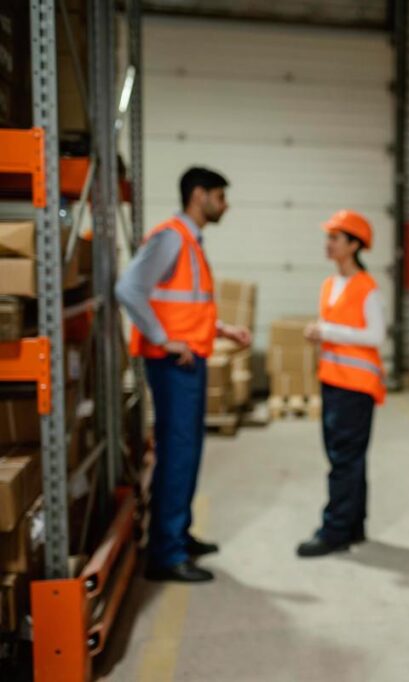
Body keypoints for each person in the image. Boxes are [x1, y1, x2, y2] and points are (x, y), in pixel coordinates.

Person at [116, 166, 251, 583]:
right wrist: (163, 339)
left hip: (187, 361)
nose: (224, 205)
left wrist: (220, 329)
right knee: (176, 454)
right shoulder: (172, 236)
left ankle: (178, 535)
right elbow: (129, 289)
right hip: (173, 364)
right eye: (220, 196)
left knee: (187, 453)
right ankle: (166, 554)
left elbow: (184, 308)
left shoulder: (190, 240)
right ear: (199, 195)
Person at [296, 210, 386, 557]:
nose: (328, 244)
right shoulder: (330, 285)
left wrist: (328, 331)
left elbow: (375, 335)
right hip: (334, 381)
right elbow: (335, 326)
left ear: (353, 245)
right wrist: (319, 331)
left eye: (335, 238)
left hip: (356, 387)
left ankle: (334, 531)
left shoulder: (367, 288)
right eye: (329, 237)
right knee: (350, 459)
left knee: (343, 460)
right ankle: (354, 526)